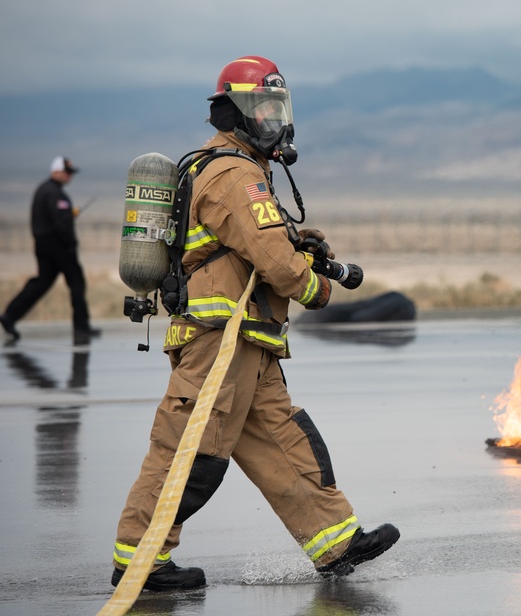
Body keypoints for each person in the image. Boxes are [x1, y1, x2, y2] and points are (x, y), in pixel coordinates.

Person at [109, 55, 398, 592]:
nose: (275, 122)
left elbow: (255, 246)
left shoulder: (235, 172)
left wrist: (299, 244)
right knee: (189, 451)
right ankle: (141, 559)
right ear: (233, 114)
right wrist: (318, 286)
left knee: (283, 441)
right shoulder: (234, 174)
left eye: (278, 109)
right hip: (220, 340)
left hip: (248, 339)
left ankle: (335, 541)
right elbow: (271, 256)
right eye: (263, 109)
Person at [0, 156, 100, 342]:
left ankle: (9, 316)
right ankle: (81, 327)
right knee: (76, 282)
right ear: (56, 171)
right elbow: (61, 224)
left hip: (43, 245)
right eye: (67, 172)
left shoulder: (44, 190)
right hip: (59, 247)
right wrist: (71, 244)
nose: (70, 176)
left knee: (41, 283)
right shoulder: (55, 193)